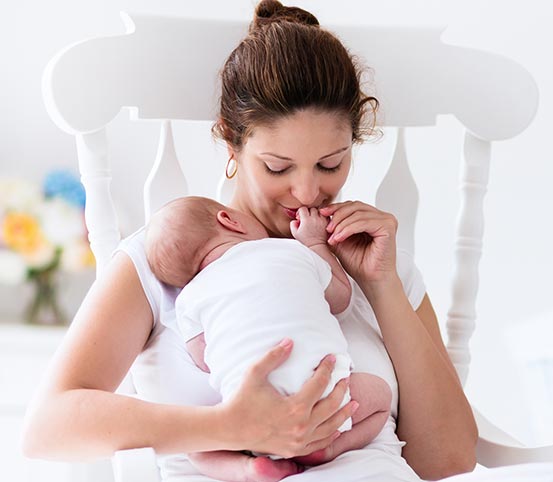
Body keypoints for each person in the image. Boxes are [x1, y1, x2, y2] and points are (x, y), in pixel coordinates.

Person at [22, 1, 477, 481]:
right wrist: (226, 424)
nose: (307, 191)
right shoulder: (168, 261)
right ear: (231, 143)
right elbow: (48, 430)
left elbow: (447, 460)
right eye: (277, 167)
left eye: (331, 164)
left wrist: (381, 285)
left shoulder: (380, 263)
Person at [144, 195, 392, 480]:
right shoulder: (290, 251)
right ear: (229, 220)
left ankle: (249, 468)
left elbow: (203, 359)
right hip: (327, 400)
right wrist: (315, 244)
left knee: (197, 450)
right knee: (380, 396)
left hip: (248, 414)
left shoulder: (187, 299)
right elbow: (339, 297)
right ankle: (328, 449)